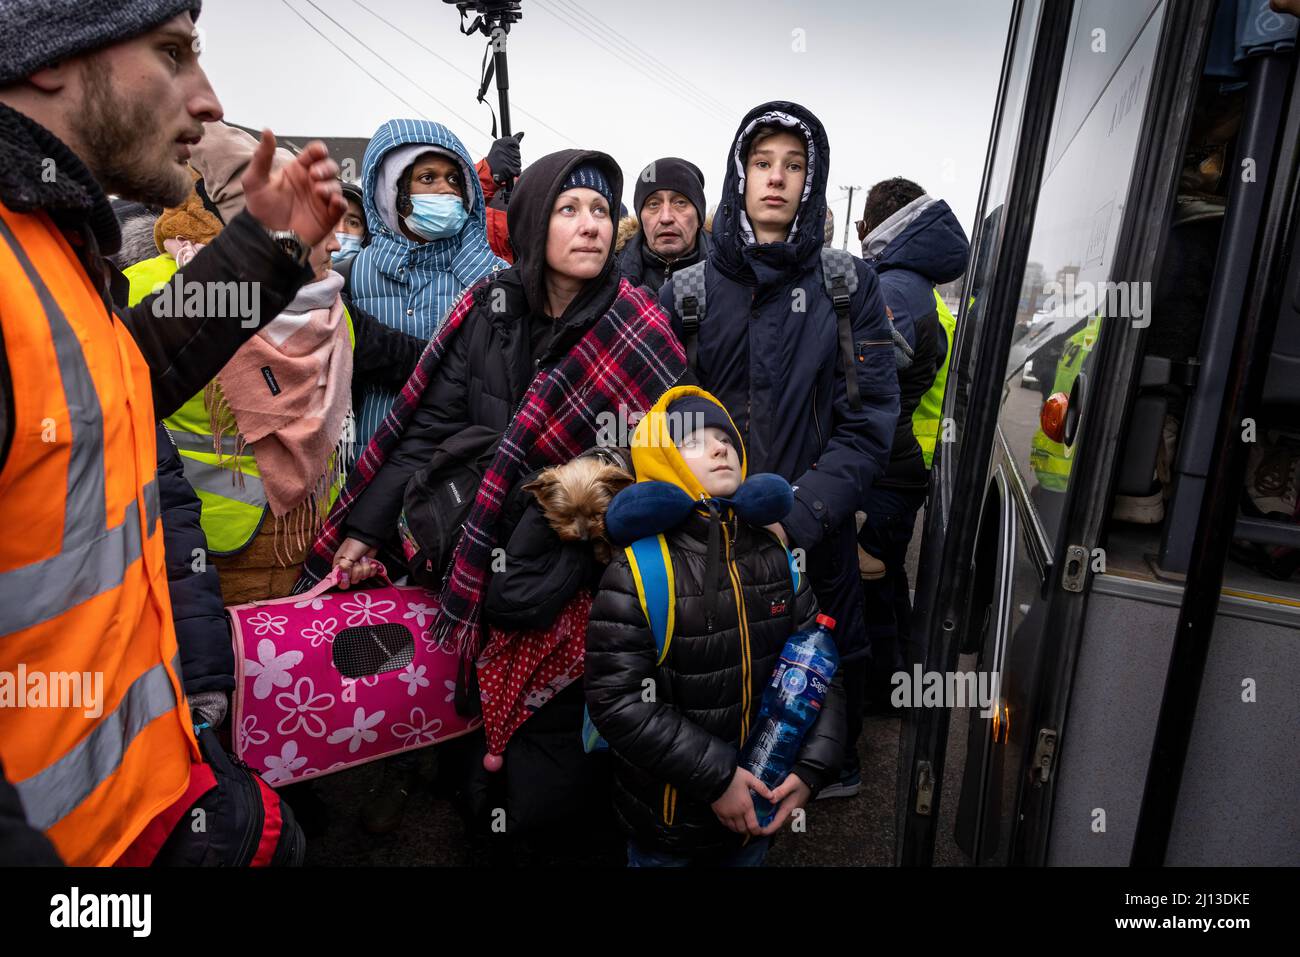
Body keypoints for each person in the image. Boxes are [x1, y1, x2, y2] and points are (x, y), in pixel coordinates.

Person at [0, 0, 344, 864]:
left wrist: (268, 247)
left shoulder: (52, 239)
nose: (208, 97)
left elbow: (120, 375)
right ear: (50, 52)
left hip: (149, 805)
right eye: (173, 53)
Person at [298, 149, 686, 837]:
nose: (591, 224)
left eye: (601, 209)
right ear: (535, 221)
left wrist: (568, 540)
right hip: (472, 557)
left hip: (576, 586)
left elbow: (666, 471)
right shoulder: (489, 309)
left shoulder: (639, 329)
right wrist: (365, 528)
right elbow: (425, 433)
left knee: (550, 783)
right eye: (570, 208)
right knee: (473, 758)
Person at [657, 101, 900, 801]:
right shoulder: (690, 290)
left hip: (813, 535)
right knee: (713, 680)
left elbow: (870, 420)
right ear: (740, 173)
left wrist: (800, 511)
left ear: (812, 180)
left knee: (823, 669)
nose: (776, 178)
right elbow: (666, 417)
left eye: (794, 166)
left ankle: (823, 772)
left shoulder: (846, 284)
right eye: (762, 163)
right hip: (707, 539)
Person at [123, 123, 425, 605]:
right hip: (187, 555)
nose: (331, 241)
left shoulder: (329, 308)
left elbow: (415, 361)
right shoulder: (144, 289)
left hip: (306, 557)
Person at [585, 386, 846, 866]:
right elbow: (616, 701)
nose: (720, 447)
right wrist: (719, 778)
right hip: (669, 829)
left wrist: (811, 768)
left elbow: (819, 666)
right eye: (693, 441)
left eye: (724, 437)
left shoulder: (775, 555)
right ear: (662, 459)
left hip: (755, 819)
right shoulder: (640, 571)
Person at [847, 178, 968, 729]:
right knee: (888, 580)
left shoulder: (893, 289)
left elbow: (862, 384)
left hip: (887, 467)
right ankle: (900, 683)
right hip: (908, 461)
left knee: (867, 584)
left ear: (872, 226)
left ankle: (874, 696)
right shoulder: (918, 286)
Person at [347, 119, 509, 446]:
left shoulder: (496, 279)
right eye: (427, 178)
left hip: (455, 469)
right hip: (366, 462)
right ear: (389, 189)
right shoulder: (352, 272)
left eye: (453, 179)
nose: (446, 189)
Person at [617, 156, 710, 295]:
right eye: (653, 204)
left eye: (680, 202)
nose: (666, 218)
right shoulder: (607, 272)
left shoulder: (733, 271)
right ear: (641, 219)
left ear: (699, 217)